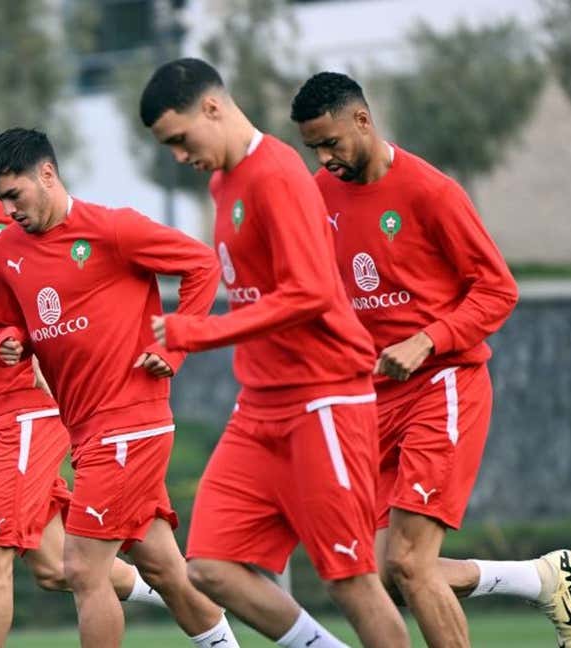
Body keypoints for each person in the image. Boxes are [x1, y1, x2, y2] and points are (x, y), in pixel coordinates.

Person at [290, 71, 571, 648]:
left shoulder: (432, 192)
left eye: (331, 142)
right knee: (370, 574)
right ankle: (538, 579)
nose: (325, 158)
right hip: (368, 402)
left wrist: (427, 339)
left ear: (363, 121)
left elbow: (498, 290)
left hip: (442, 385)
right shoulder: (316, 198)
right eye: (314, 148)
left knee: (409, 562)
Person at [140, 58, 411, 648]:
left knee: (351, 580)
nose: (179, 157)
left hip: (325, 401)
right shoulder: (223, 183)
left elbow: (311, 292)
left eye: (180, 140)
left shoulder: (277, 175)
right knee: (208, 566)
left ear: (213, 108)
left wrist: (202, 331)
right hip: (259, 408)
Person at [0, 108, 166, 647]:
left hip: (31, 411)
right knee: (56, 567)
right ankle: (176, 589)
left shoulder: (20, 227)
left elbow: (60, 316)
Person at [0, 127, 239, 648]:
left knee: (80, 566)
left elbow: (201, 265)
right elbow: (4, 320)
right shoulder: (6, 249)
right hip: (85, 429)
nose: (9, 210)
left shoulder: (113, 228)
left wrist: (174, 347)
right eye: (1, 200)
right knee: (164, 567)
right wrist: (12, 341)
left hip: (131, 422)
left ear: (47, 175)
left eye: (15, 195)